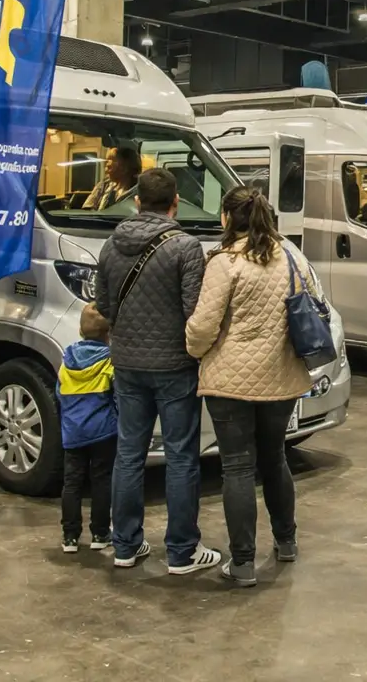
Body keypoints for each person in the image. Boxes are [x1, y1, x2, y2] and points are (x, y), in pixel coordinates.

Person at [94, 167, 222, 575]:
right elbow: (193, 311)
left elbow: (103, 306)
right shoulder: (185, 247)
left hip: (127, 364)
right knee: (181, 456)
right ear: (175, 204)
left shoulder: (111, 245)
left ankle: (125, 545)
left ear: (136, 202)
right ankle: (182, 552)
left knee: (128, 453)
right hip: (175, 367)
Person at [186, 187, 314, 589]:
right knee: (274, 457)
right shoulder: (292, 256)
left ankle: (242, 563)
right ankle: (286, 541)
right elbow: (314, 301)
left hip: (230, 382)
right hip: (282, 377)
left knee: (238, 466)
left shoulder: (225, 262)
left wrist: (193, 348)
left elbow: (203, 327)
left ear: (227, 218)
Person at [59, 304, 118, 553]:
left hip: (73, 432)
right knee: (101, 481)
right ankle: (100, 533)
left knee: (72, 483)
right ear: (108, 334)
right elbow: (116, 394)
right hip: (103, 432)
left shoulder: (67, 361)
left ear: (80, 331)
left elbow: (59, 394)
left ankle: (70, 536)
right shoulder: (109, 361)